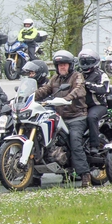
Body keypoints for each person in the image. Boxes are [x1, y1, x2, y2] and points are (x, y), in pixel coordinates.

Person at [35, 50, 90, 187]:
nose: (62, 67)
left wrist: (66, 99)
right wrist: (27, 98)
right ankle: (34, 176)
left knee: (75, 142)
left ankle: (85, 175)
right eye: (59, 65)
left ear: (70, 65)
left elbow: (79, 90)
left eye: (64, 64)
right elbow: (44, 90)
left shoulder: (77, 76)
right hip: (60, 117)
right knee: (41, 138)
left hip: (76, 117)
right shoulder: (55, 78)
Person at [78, 49, 109, 155]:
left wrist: (88, 84)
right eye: (83, 62)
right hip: (82, 105)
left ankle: (94, 146)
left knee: (92, 117)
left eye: (88, 62)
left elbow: (104, 89)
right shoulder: (79, 74)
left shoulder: (101, 74)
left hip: (98, 105)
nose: (85, 64)